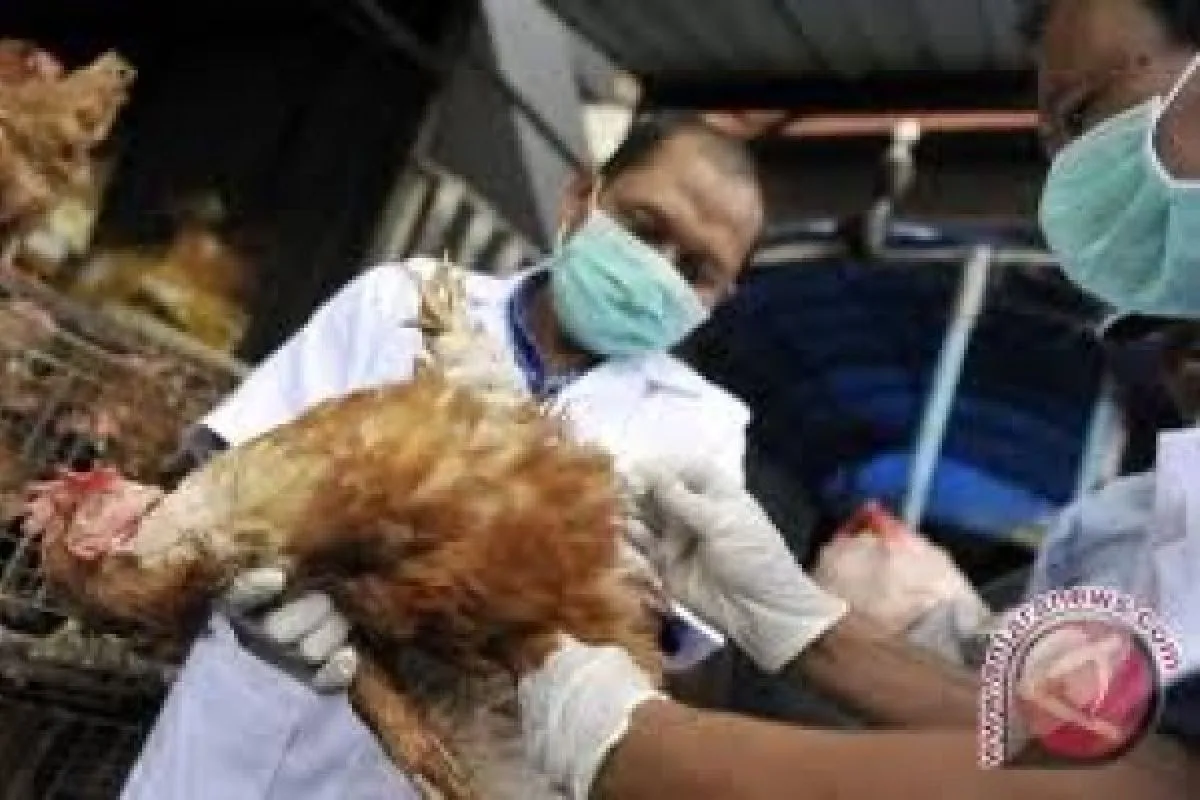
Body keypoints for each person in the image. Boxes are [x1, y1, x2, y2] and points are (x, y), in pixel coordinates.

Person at [510, 0, 1200, 797]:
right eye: (1054, 143)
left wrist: (641, 747)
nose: (1069, 178)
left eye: (1084, 114)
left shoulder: (704, 423)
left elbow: (1140, 779)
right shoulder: (1140, 516)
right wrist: (808, 630)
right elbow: (1074, 735)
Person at [118, 112, 765, 799]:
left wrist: (526, 481)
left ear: (721, 297)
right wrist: (255, 585)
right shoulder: (400, 297)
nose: (657, 269)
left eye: (695, 270)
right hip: (234, 726)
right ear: (583, 196)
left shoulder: (703, 429)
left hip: (419, 765)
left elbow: (642, 636)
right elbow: (227, 469)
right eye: (644, 227)